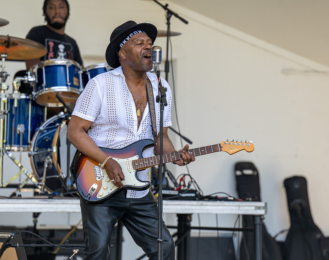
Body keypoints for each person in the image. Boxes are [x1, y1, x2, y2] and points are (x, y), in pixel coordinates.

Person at [67, 21, 195, 259]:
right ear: (122, 53)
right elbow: (75, 131)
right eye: (139, 43)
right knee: (98, 253)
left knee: (164, 247)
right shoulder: (100, 85)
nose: (148, 47)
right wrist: (107, 161)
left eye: (150, 43)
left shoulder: (160, 87)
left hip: (139, 188)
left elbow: (160, 137)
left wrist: (176, 155)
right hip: (101, 182)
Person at [25, 0, 83, 70]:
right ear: (44, 13)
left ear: (68, 13)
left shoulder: (72, 42)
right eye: (52, 7)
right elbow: (33, 69)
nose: (57, 12)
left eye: (61, 7)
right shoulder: (37, 33)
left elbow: (80, 71)